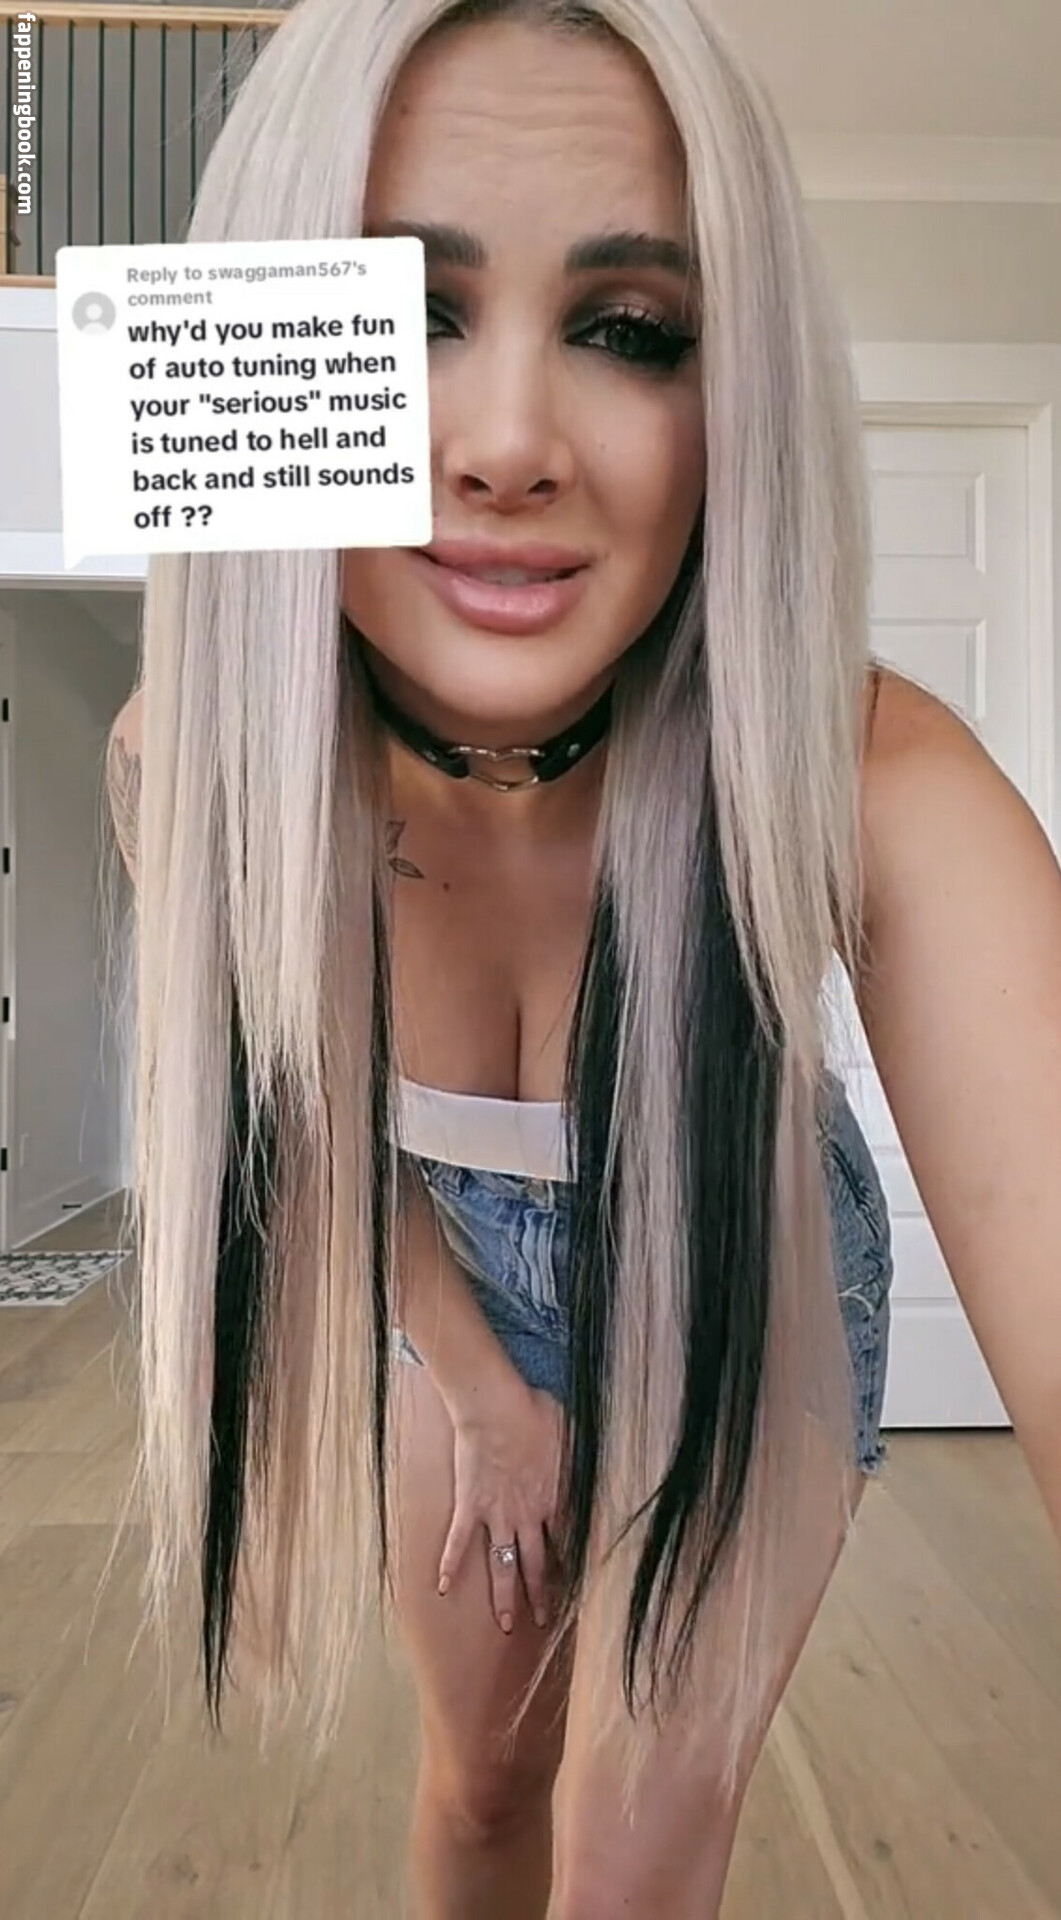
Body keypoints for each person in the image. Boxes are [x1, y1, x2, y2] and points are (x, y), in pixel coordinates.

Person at [102, 1, 1061, 1914]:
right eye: (407, 313)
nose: (510, 447)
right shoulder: (188, 767)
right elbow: (311, 1123)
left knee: (637, 1859)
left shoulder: (871, 780)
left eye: (628, 329)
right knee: (483, 1785)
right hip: (443, 1264)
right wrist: (477, 1391)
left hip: (749, 1251)